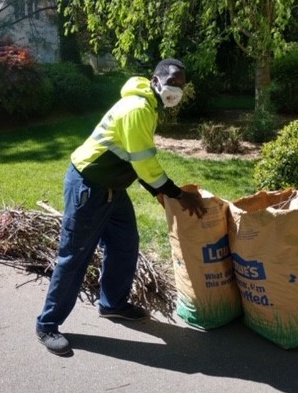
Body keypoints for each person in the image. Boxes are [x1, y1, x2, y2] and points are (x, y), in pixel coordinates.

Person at [36, 58, 207, 356]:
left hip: (113, 189)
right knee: (74, 256)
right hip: (89, 187)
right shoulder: (139, 108)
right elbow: (144, 164)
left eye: (181, 84)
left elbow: (132, 157)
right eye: (172, 82)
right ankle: (47, 324)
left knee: (125, 244)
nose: (176, 89)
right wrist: (177, 194)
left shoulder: (149, 106)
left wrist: (158, 194)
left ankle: (112, 303)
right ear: (155, 81)